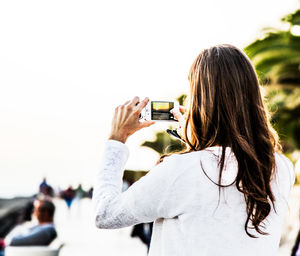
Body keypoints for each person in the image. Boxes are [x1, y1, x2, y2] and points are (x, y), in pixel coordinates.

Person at [92, 44, 295, 256]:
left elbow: (105, 214)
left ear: (199, 101)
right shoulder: (281, 168)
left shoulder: (180, 170)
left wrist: (117, 139)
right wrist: (195, 138)